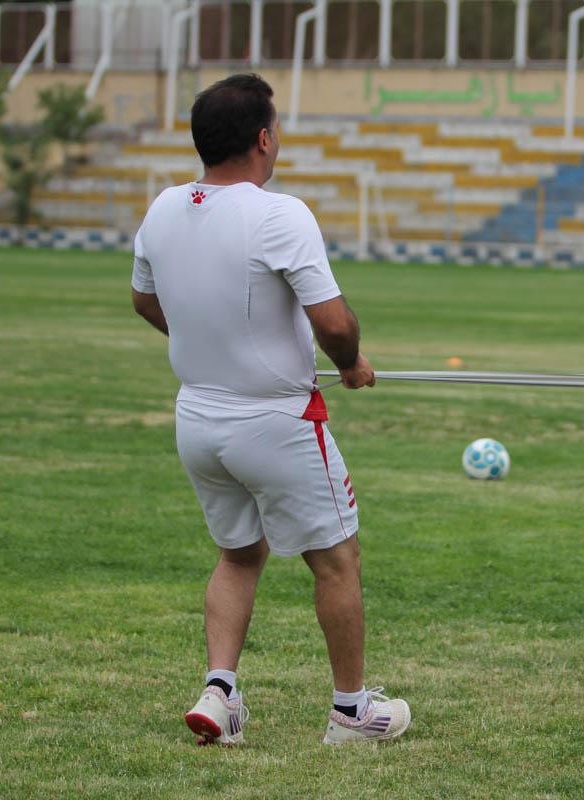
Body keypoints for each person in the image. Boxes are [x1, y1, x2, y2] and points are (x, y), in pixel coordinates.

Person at [130, 74, 410, 744]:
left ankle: (220, 692)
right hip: (274, 421)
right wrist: (349, 365)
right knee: (335, 559)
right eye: (276, 127)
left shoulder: (163, 208)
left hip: (197, 420)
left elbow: (144, 300)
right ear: (263, 138)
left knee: (237, 554)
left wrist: (208, 343)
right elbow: (334, 322)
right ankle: (351, 712)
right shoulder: (278, 213)